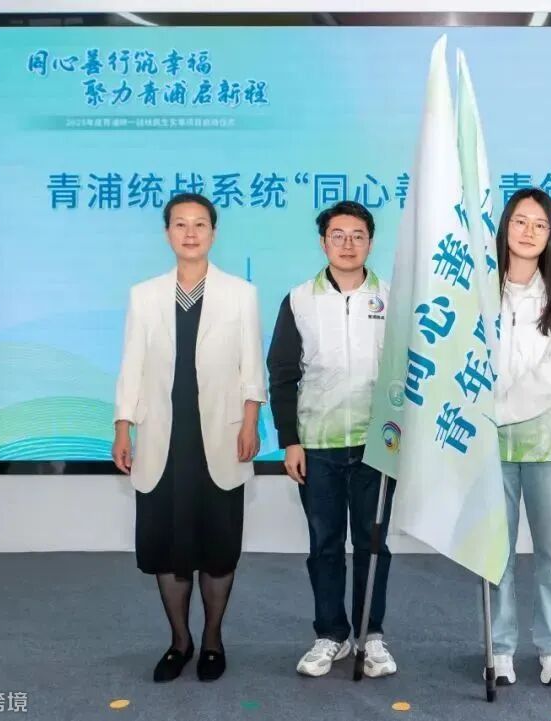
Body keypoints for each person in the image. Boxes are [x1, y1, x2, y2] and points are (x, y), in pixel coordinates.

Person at [112, 192, 266, 683]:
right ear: (167, 234)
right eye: (180, 224)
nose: (191, 233)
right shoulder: (144, 295)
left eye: (200, 224)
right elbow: (132, 365)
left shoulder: (240, 293)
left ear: (213, 233)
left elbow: (251, 367)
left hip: (219, 437)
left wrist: (250, 422)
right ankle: (180, 642)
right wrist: (122, 425)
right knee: (168, 548)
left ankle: (213, 640)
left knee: (217, 548)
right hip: (163, 439)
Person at [266, 200, 397, 678]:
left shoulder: (392, 298)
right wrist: (290, 440)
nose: (348, 244)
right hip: (317, 444)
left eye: (357, 235)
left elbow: (408, 372)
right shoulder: (300, 300)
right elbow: (282, 374)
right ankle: (331, 635)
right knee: (324, 544)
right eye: (337, 235)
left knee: (372, 543)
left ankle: (371, 635)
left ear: (370, 243)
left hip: (377, 445)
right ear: (323, 243)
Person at [487, 188, 551, 687]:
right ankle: (500, 646)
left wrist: (495, 411)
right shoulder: (477, 292)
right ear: (505, 226)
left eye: (540, 224)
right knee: (494, 553)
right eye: (520, 221)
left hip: (549, 443)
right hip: (488, 448)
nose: (528, 232)